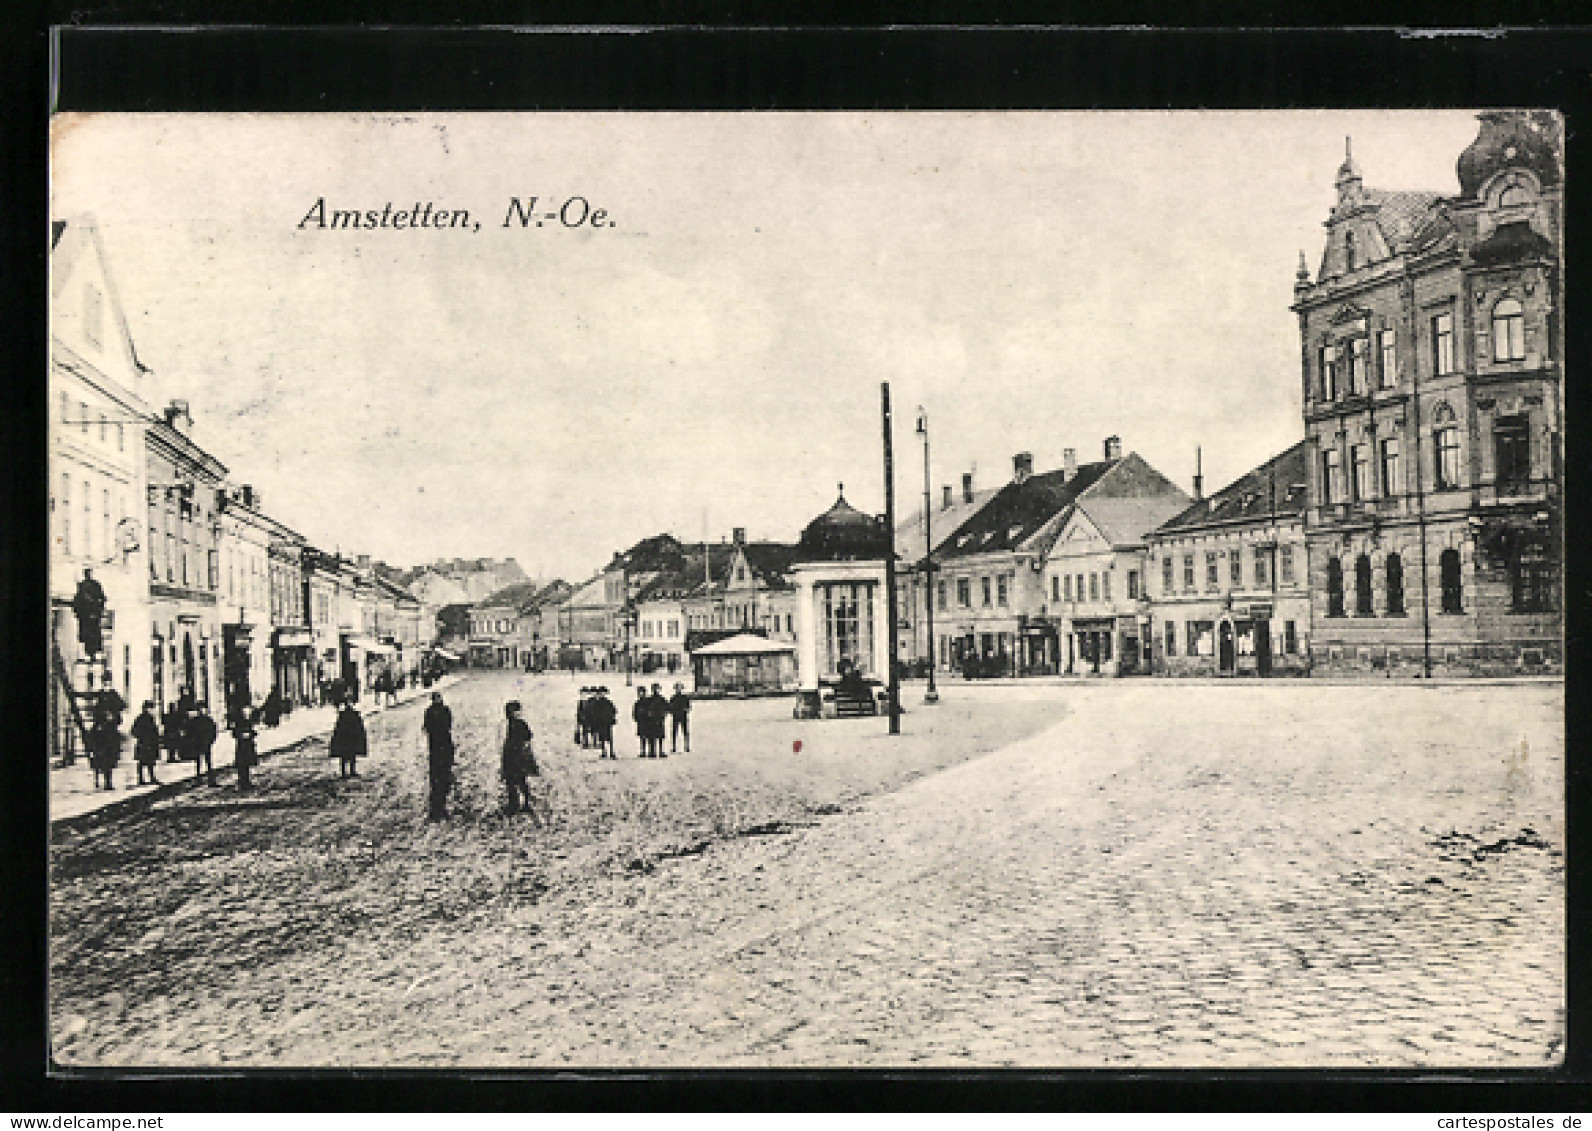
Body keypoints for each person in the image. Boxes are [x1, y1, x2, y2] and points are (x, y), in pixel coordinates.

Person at [501, 700, 538, 816]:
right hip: (509, 755)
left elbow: (528, 740)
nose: (514, 714)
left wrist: (526, 754)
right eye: (511, 712)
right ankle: (513, 804)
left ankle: (526, 803)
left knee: (521, 780)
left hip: (518, 755)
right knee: (510, 781)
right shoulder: (506, 724)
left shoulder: (521, 724)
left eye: (516, 711)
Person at [422, 691, 454, 821]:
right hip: (439, 749)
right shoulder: (436, 711)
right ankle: (437, 809)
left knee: (440, 781)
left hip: (439, 749)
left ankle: (439, 808)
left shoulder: (434, 711)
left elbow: (427, 728)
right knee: (439, 781)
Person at [72, 568, 107, 658]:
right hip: (86, 615)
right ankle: (89, 652)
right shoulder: (84, 586)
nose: (87, 575)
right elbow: (78, 600)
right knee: (88, 633)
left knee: (92, 633)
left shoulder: (94, 585)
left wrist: (98, 606)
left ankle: (93, 652)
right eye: (86, 574)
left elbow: (102, 598)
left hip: (91, 614)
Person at [330, 699, 367, 779]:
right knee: (350, 754)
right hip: (350, 738)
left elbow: (337, 728)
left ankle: (346, 772)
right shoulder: (354, 714)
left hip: (346, 738)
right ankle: (349, 771)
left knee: (346, 755)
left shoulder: (343, 715)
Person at [131, 700, 162, 786]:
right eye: (151, 708)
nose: (153, 710)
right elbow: (133, 731)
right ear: (146, 709)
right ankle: (141, 779)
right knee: (142, 762)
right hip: (144, 743)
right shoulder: (141, 719)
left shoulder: (151, 718)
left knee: (150, 761)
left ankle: (151, 778)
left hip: (151, 743)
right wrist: (142, 737)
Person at [87, 713, 121, 790]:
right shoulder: (103, 727)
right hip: (103, 750)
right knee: (105, 767)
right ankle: (105, 783)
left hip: (105, 750)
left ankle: (105, 783)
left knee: (106, 767)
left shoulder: (102, 727)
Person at [188, 704, 218, 784]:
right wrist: (192, 741)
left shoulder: (209, 720)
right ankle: (198, 778)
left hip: (206, 743)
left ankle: (211, 779)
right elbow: (190, 732)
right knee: (198, 762)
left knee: (208, 761)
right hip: (198, 743)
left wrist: (211, 740)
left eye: (203, 709)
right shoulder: (195, 721)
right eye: (200, 710)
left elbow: (214, 731)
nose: (202, 711)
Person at [232, 709, 259, 791]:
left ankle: (247, 781)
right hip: (242, 746)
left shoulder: (249, 722)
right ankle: (242, 782)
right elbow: (234, 733)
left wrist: (251, 734)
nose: (246, 714)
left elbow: (253, 732)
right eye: (245, 713)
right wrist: (242, 735)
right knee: (242, 764)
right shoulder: (238, 722)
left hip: (248, 745)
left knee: (247, 764)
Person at [590, 687, 617, 759]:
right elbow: (593, 712)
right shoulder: (596, 703)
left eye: (602, 693)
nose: (601, 695)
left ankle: (611, 752)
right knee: (601, 738)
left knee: (609, 738)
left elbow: (613, 710)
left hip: (607, 722)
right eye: (599, 694)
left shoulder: (608, 702)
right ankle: (603, 752)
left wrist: (611, 717)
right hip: (600, 722)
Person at [668, 682, 692, 754]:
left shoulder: (685, 698)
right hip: (675, 716)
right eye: (677, 688)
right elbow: (670, 707)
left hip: (683, 716)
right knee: (674, 732)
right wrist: (672, 711)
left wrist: (685, 710)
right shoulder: (673, 698)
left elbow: (688, 707)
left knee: (685, 731)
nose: (678, 690)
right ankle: (674, 747)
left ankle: (686, 746)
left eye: (679, 688)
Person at [647, 684, 669, 758]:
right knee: (651, 737)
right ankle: (652, 752)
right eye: (654, 689)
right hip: (651, 720)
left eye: (657, 689)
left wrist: (664, 714)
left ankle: (661, 751)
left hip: (660, 719)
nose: (656, 690)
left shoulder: (662, 699)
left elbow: (667, 707)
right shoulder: (649, 700)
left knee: (660, 737)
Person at [632, 686, 651, 757]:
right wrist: (637, 718)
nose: (641, 694)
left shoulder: (648, 702)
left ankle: (650, 751)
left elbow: (651, 710)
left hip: (648, 722)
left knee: (649, 737)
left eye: (642, 693)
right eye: (639, 693)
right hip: (641, 722)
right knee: (642, 737)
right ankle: (643, 751)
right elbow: (634, 713)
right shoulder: (637, 703)